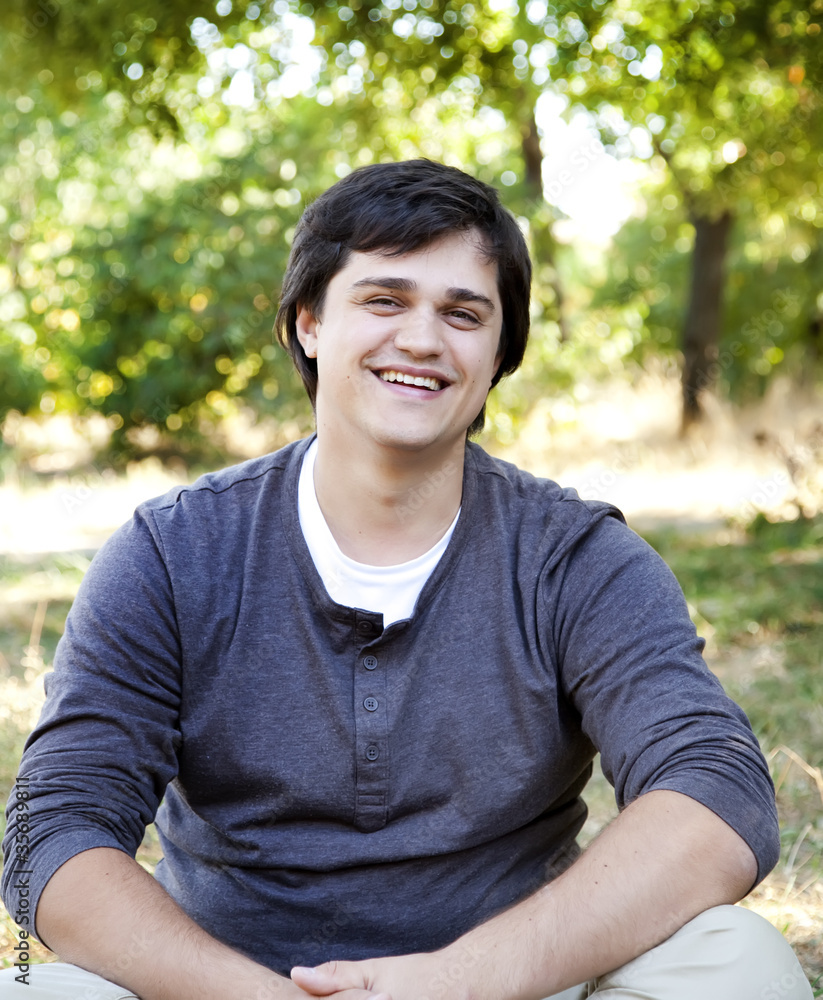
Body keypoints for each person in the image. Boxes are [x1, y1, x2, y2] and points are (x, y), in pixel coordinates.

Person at [0, 159, 812, 1000]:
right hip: (223, 987)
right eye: (384, 300)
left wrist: (458, 982)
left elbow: (713, 787)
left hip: (511, 986)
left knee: (738, 963)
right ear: (308, 321)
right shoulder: (172, 554)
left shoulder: (575, 558)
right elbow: (50, 828)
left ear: (499, 353)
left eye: (463, 313)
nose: (422, 339)